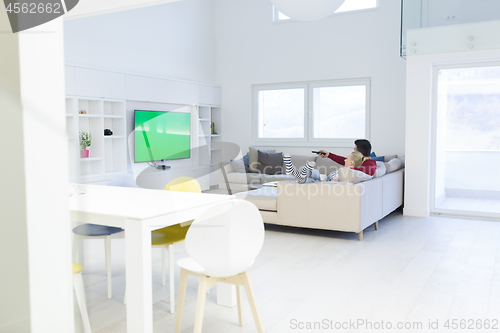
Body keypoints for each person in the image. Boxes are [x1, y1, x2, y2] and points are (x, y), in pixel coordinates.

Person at [283, 151, 366, 183]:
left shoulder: (347, 173)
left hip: (322, 183)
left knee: (304, 179)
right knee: (307, 175)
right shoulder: (346, 170)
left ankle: (292, 167)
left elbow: (336, 185)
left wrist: (324, 182)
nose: (344, 160)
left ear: (352, 162)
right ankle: (294, 168)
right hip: (322, 178)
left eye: (347, 159)